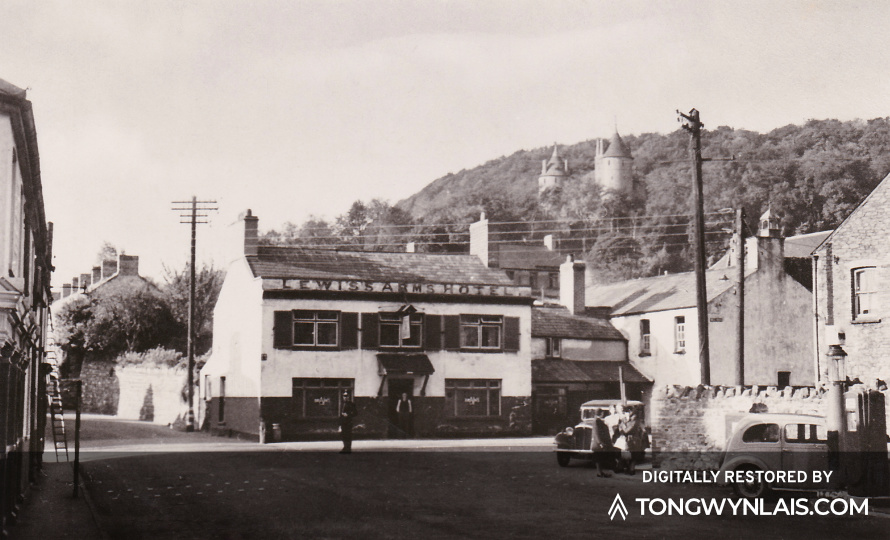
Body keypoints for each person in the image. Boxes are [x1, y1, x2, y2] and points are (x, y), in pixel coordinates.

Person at [590, 409, 615, 477]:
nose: (603, 414)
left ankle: (600, 472)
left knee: (600, 458)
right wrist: (600, 443)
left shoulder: (599, 420)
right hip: (598, 444)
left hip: (600, 443)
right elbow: (596, 433)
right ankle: (599, 473)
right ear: (600, 413)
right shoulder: (596, 421)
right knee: (598, 458)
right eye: (602, 413)